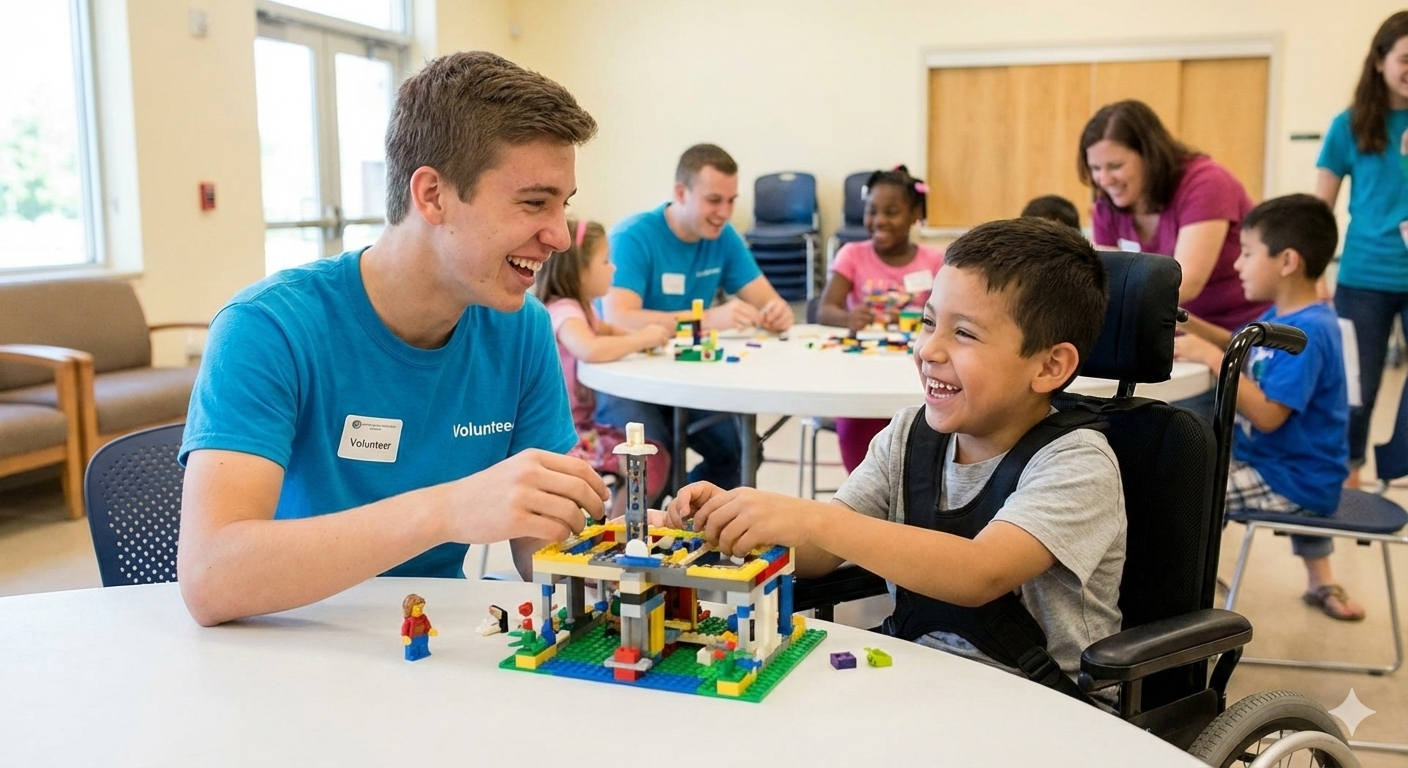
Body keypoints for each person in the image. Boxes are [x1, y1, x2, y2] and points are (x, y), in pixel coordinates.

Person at [176, 51, 609, 627]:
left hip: (436, 643)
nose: (558, 236)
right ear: (431, 195)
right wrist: (447, 510)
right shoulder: (268, 328)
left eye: (563, 205)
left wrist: (644, 555)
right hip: (286, 646)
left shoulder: (520, 327)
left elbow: (542, 551)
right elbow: (211, 579)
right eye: (534, 202)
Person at [668, 218, 1125, 692]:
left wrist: (815, 520)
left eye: (964, 334)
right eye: (928, 322)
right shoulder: (908, 435)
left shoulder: (1077, 462)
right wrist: (733, 523)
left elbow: (981, 572)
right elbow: (821, 554)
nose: (929, 348)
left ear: (1050, 365)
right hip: (917, 682)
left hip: (1045, 707)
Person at [1175, 195, 1362, 621]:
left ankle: (1184, 601)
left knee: (1192, 493)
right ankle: (1190, 585)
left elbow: (1268, 415)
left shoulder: (1309, 331)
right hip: (1278, 464)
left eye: (1246, 253)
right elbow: (1235, 342)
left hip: (1293, 479)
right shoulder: (1286, 315)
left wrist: (1209, 357)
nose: (1237, 265)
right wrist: (1182, 318)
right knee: (1191, 471)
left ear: (1287, 260)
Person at [598, 144, 794, 489]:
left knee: (741, 452)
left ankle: (686, 521)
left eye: (731, 201)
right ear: (680, 193)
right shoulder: (633, 237)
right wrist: (706, 321)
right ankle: (657, 518)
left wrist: (776, 313)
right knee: (652, 465)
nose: (725, 212)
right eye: (714, 200)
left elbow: (771, 302)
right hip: (627, 375)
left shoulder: (723, 238)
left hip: (688, 372)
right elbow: (620, 319)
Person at [1080, 100, 1267, 421]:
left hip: (1232, 339)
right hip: (1173, 339)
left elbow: (1186, 283)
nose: (1104, 180)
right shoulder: (1107, 205)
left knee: (1179, 428)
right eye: (1095, 169)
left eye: (1115, 166)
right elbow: (1109, 283)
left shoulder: (1206, 182)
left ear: (1148, 157)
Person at [1317, 11, 1408, 489]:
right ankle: (1350, 471)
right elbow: (1319, 209)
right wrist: (1314, 276)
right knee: (1359, 386)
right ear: (1379, 61)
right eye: (1405, 59)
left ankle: (1400, 466)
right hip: (1365, 275)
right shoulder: (1348, 125)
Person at [533, 218, 675, 516]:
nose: (614, 268)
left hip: (583, 429)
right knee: (647, 460)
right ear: (579, 269)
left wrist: (645, 338)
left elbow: (606, 331)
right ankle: (620, 533)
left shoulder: (582, 309)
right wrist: (642, 339)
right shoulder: (565, 310)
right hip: (563, 436)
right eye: (606, 260)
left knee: (653, 455)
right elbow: (589, 348)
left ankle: (621, 527)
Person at [816, 165, 944, 473]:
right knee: (858, 439)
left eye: (891, 212)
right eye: (872, 211)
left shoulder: (935, 260)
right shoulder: (852, 255)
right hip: (863, 374)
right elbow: (824, 310)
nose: (879, 220)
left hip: (914, 375)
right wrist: (849, 317)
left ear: (915, 213)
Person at [401, 593, 437, 661]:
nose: (420, 610)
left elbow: (427, 625)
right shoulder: (409, 621)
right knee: (413, 648)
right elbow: (404, 629)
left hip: (423, 636)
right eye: (417, 608)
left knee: (423, 646)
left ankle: (424, 653)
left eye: (421, 607)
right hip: (413, 638)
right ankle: (413, 655)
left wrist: (430, 630)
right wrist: (405, 636)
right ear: (410, 608)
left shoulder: (423, 617)